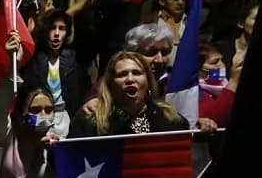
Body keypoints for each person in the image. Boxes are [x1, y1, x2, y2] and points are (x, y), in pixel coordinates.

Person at [70, 51, 218, 137]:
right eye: (122, 75)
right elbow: (68, 159)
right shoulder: (92, 121)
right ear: (110, 85)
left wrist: (199, 131)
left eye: (136, 73)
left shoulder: (169, 117)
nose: (130, 79)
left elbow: (180, 151)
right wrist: (53, 145)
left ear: (147, 81)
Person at [22, 9, 90, 138]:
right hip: (41, 113)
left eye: (62, 28)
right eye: (52, 28)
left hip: (65, 115)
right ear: (45, 31)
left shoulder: (74, 59)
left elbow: (80, 90)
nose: (57, 34)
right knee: (41, 148)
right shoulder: (34, 59)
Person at [198, 41, 243, 127]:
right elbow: (215, 118)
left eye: (221, 60)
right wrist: (233, 81)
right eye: (214, 62)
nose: (221, 65)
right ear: (199, 69)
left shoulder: (224, 83)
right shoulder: (195, 91)